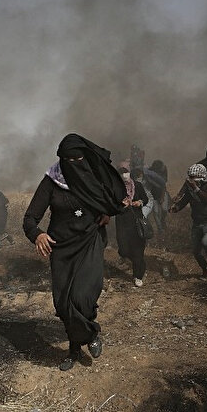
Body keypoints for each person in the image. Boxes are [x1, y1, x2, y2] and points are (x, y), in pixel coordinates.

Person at [23, 133, 127, 371]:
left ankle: (87, 336)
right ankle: (77, 346)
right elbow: (30, 218)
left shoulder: (93, 175)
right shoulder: (52, 180)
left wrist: (107, 212)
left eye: (77, 158)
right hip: (61, 248)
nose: (73, 163)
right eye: (67, 159)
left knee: (82, 296)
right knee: (63, 304)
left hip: (89, 241)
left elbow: (113, 200)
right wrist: (37, 234)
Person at [169, 164, 207, 280]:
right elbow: (186, 198)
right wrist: (176, 207)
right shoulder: (190, 185)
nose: (191, 179)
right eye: (190, 177)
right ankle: (205, 270)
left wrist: (195, 188)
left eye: (193, 177)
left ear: (201, 176)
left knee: (206, 241)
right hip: (197, 219)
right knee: (196, 251)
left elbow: (206, 199)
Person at [115, 165, 154, 287]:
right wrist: (120, 204)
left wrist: (139, 202)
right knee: (123, 249)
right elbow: (110, 204)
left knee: (138, 250)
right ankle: (135, 262)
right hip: (122, 222)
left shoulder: (137, 185)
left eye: (127, 178)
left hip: (136, 221)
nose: (126, 181)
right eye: (123, 180)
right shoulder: (116, 188)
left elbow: (146, 199)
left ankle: (138, 275)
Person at [144, 159, 170, 236]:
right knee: (155, 212)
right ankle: (160, 229)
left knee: (164, 209)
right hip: (153, 194)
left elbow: (163, 186)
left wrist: (162, 197)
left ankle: (162, 220)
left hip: (162, 192)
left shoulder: (163, 171)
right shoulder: (149, 173)